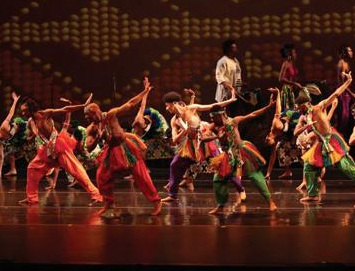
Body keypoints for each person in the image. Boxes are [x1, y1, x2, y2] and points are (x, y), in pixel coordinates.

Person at [83, 77, 162, 218]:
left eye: (89, 116)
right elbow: (88, 148)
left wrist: (144, 92)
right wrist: (98, 138)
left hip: (126, 148)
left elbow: (129, 104)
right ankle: (109, 204)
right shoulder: (93, 128)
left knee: (141, 175)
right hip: (111, 151)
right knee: (101, 176)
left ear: (96, 112)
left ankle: (156, 201)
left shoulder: (111, 115)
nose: (87, 119)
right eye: (86, 117)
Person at [18, 94, 102, 206]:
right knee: (32, 168)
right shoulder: (32, 120)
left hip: (59, 147)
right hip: (49, 149)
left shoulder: (44, 113)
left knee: (76, 172)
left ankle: (96, 194)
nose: (23, 113)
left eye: (24, 111)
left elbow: (65, 109)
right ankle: (32, 198)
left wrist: (83, 105)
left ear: (31, 109)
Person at [161, 88, 237, 202]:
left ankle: (239, 187)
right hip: (190, 146)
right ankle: (172, 195)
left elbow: (212, 106)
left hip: (205, 141)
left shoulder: (191, 108)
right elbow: (175, 140)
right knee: (174, 165)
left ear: (174, 103)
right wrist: (184, 131)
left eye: (168, 105)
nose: (167, 108)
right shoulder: (174, 121)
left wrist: (230, 100)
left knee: (221, 163)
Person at [206, 98, 278, 214]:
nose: (212, 120)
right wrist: (214, 136)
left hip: (241, 152)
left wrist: (268, 107)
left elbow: (253, 114)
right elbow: (204, 136)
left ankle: (270, 201)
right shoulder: (215, 126)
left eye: (213, 117)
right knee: (218, 179)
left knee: (255, 177)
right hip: (228, 155)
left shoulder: (233, 121)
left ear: (220, 115)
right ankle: (220, 205)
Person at [295, 71, 355, 203]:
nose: (299, 110)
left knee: (345, 166)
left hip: (331, 140)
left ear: (306, 104)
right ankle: (313, 194)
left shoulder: (319, 107)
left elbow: (335, 94)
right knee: (309, 166)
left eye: (300, 107)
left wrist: (348, 82)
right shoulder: (306, 116)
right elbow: (299, 131)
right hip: (321, 143)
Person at [332, 46, 355, 137]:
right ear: (344, 53)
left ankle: (344, 135)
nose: (351, 52)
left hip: (346, 93)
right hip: (342, 93)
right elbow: (342, 83)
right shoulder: (341, 64)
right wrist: (351, 94)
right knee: (343, 115)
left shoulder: (346, 63)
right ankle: (339, 136)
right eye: (349, 51)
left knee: (347, 115)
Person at [279, 43, 302, 111]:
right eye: (294, 53)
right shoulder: (285, 64)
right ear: (289, 54)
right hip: (286, 91)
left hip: (292, 91)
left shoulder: (292, 64)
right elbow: (281, 78)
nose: (295, 54)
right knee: (288, 112)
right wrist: (294, 83)